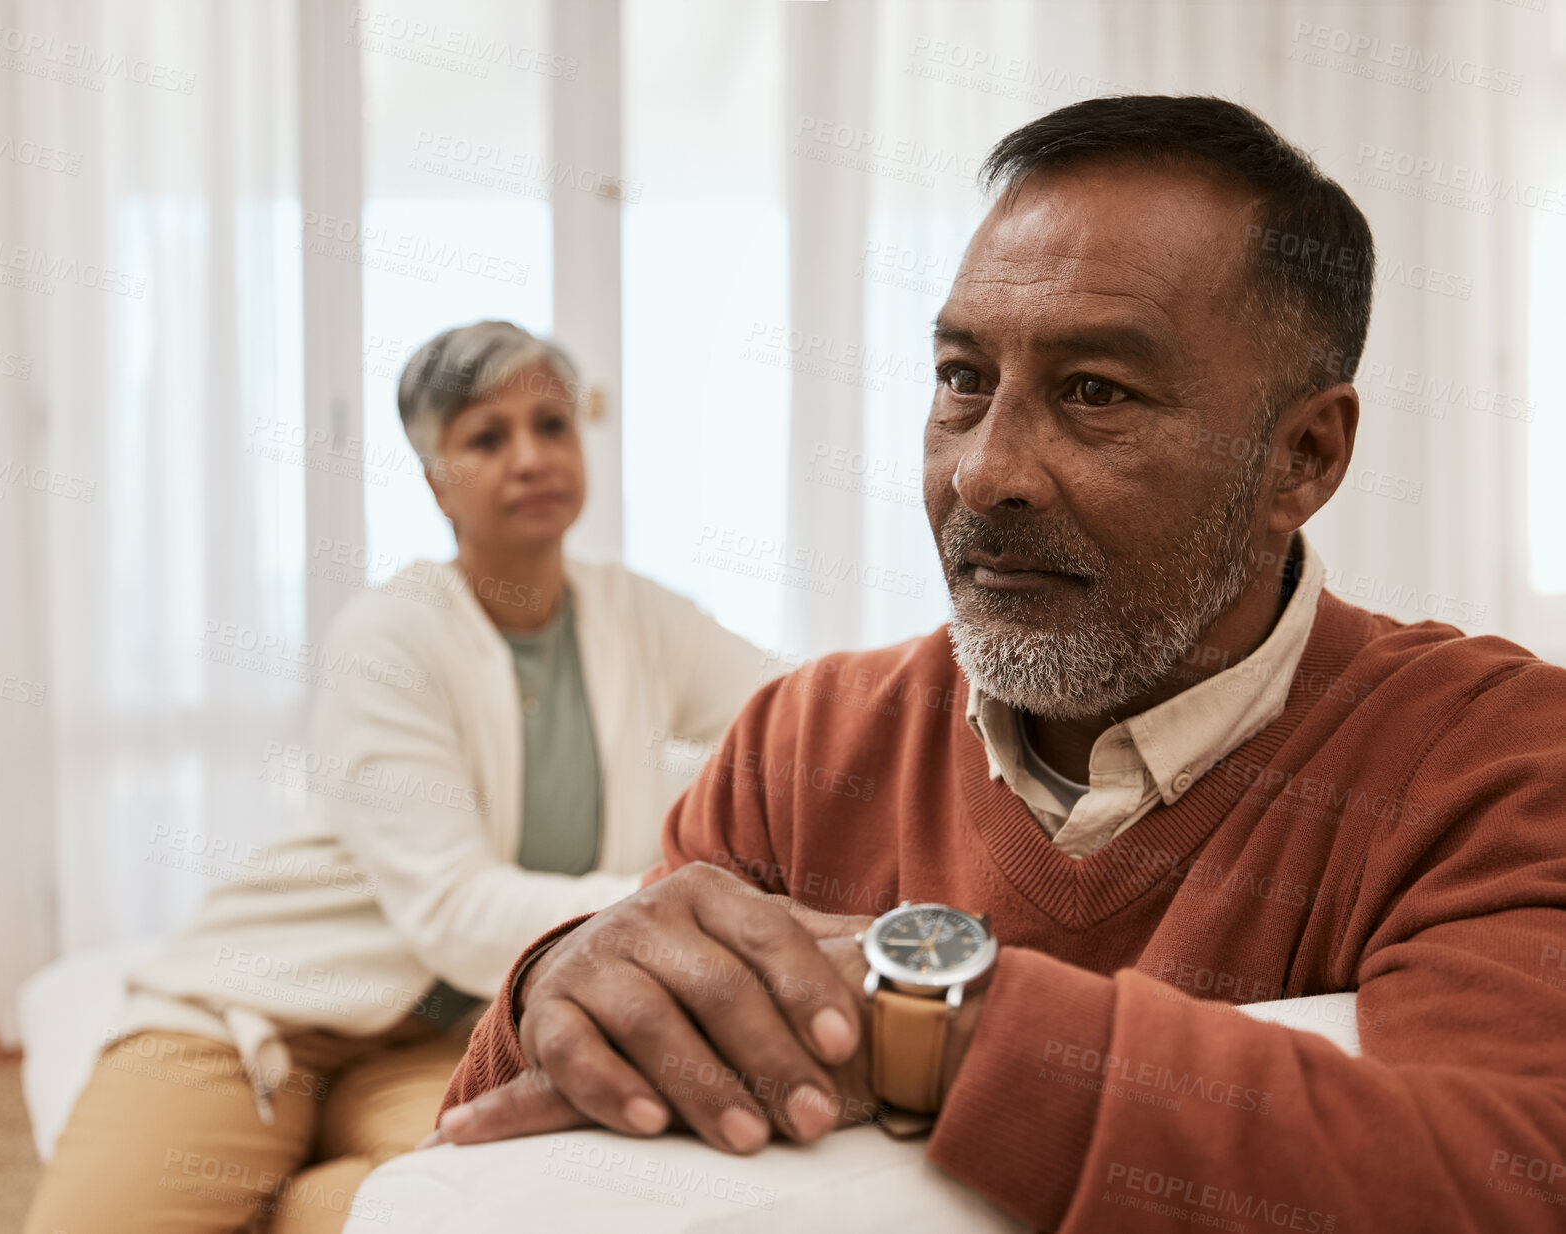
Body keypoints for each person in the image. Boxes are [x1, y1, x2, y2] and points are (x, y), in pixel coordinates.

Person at [428, 99, 1566, 1233]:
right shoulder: (806, 744)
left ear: (1302, 456)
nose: (983, 473)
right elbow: (491, 1163)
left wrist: (927, 1023)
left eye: (1094, 393)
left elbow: (1500, 1178)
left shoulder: (1488, 758)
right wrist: (551, 983)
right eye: (962, 376)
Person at [23, 321, 777, 1234]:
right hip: (259, 1010)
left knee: (449, 1214)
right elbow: (457, 919)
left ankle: (282, 1204)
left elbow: (804, 713)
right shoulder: (389, 638)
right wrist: (667, 906)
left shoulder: (643, 618)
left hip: (443, 1038)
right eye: (487, 437)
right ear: (434, 482)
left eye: (551, 425)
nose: (532, 456)